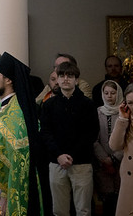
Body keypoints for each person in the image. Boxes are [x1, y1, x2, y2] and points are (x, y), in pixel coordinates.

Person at [0, 52, 44, 216]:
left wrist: (4, 196)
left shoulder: (14, 115)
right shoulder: (6, 108)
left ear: (8, 80)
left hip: (10, 191)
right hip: (0, 189)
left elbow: (14, 163)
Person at [40, 61, 98, 216]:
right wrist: (59, 155)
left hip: (81, 163)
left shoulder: (87, 104)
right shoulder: (49, 105)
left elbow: (91, 133)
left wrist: (70, 155)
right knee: (59, 211)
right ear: (57, 79)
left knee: (83, 210)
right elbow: (45, 133)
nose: (66, 79)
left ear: (76, 80)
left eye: (70, 75)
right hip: (56, 162)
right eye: (62, 75)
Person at [110, 83, 133, 216]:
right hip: (130, 181)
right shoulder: (124, 122)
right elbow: (114, 146)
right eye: (130, 103)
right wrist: (122, 119)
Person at [94, 80, 124, 216]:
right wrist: (105, 160)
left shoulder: (124, 112)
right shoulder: (98, 112)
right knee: (107, 199)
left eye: (113, 93)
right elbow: (94, 139)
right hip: (102, 163)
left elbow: (128, 140)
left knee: (121, 198)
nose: (109, 96)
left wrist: (114, 158)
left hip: (122, 162)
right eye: (106, 93)